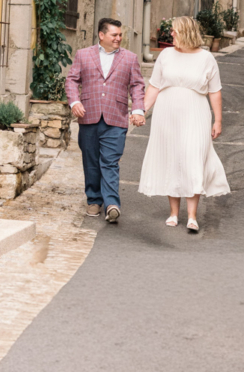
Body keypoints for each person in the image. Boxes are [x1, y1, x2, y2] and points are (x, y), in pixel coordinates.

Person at [137, 13, 229, 232]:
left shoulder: (206, 58)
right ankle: (173, 213)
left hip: (196, 113)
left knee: (193, 158)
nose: (171, 35)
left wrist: (218, 120)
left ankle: (192, 216)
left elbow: (215, 92)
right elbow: (154, 86)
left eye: (174, 31)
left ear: (185, 33)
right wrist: (141, 110)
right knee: (173, 158)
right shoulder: (166, 55)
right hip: (166, 114)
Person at [65, 17, 146, 223]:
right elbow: (72, 80)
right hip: (88, 115)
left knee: (110, 162)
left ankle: (112, 204)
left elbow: (137, 85)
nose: (119, 38)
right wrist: (74, 102)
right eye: (114, 35)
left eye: (120, 35)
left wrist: (138, 109)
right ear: (102, 35)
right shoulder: (83, 55)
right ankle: (94, 200)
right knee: (91, 162)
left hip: (116, 118)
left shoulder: (130, 58)